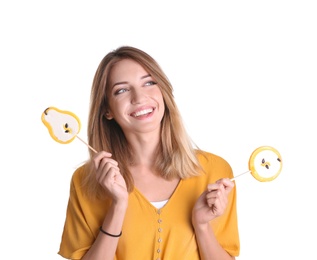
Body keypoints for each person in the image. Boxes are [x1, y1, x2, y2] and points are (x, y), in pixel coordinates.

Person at [58, 46, 240, 260]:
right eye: (122, 90)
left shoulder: (215, 171)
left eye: (149, 83)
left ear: (163, 91)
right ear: (107, 109)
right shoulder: (86, 181)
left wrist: (201, 225)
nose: (139, 97)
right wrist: (118, 206)